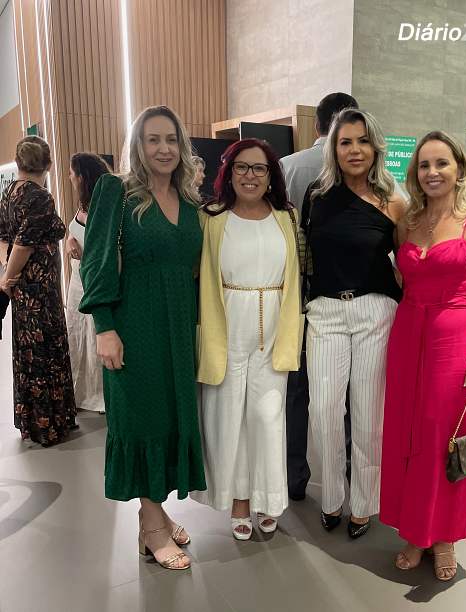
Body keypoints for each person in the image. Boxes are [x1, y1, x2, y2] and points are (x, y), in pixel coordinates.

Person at [79, 105, 205, 570]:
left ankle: (156, 512)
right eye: (153, 139)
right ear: (138, 145)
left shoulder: (189, 200)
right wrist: (104, 326)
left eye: (171, 139)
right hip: (133, 326)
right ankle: (151, 528)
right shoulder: (116, 190)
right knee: (142, 420)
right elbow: (95, 260)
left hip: (178, 327)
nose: (164, 148)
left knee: (170, 417)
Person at [379, 131, 466, 580]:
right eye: (424, 165)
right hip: (408, 332)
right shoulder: (408, 221)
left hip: (454, 334)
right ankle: (415, 531)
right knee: (408, 433)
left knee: (444, 434)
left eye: (441, 163)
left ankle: (445, 534)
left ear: (458, 169)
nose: (432, 172)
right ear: (415, 174)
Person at [191, 138, 303, 540]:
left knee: (267, 418)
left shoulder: (286, 217)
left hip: (274, 328)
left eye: (259, 168)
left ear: (271, 175)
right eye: (242, 167)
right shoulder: (211, 217)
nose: (250, 175)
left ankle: (268, 498)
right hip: (225, 327)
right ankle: (239, 500)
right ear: (229, 172)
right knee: (228, 418)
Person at [302, 108, 404, 538]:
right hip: (325, 312)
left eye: (363, 141)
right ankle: (331, 498)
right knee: (324, 410)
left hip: (374, 312)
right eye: (345, 142)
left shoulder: (393, 200)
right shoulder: (317, 195)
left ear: (375, 146)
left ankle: (363, 503)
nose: (355, 149)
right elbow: (306, 255)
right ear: (334, 148)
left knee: (367, 415)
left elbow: (408, 263)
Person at [280, 92, 358, 501]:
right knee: (346, 390)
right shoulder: (361, 171)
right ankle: (348, 475)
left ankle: (294, 478)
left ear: (317, 124)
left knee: (297, 390)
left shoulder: (286, 166)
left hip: (293, 293)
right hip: (343, 293)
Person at [0, 136, 77, 446]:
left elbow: (4, 239)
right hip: (40, 290)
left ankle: (32, 422)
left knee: (28, 351)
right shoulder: (40, 197)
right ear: (48, 163)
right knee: (46, 352)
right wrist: (8, 275)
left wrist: (8, 274)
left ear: (19, 162)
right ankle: (50, 423)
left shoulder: (9, 193)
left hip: (23, 288)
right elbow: (23, 245)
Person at [65, 153, 111, 413]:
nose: (69, 177)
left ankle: (99, 395)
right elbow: (74, 230)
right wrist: (70, 241)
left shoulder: (102, 207)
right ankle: (79, 391)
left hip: (92, 277)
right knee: (77, 333)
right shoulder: (83, 203)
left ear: (82, 177)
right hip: (76, 279)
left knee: (94, 335)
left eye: (72, 173)